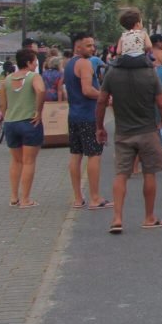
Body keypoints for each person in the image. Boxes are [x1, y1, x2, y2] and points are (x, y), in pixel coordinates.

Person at [96, 53, 162, 233]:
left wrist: (99, 127)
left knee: (121, 174)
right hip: (147, 130)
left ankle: (117, 218)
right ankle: (149, 217)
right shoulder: (150, 73)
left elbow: (101, 100)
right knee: (149, 173)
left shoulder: (112, 73)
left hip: (123, 131)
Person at [63, 32, 110, 210]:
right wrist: (105, 97)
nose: (93, 48)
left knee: (76, 154)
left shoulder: (68, 64)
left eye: (93, 45)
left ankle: (78, 198)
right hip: (88, 116)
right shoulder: (84, 63)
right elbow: (87, 90)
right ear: (78, 47)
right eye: (88, 45)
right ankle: (95, 197)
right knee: (94, 155)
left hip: (74, 115)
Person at [0, 49, 46, 208]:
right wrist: (38, 111)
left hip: (11, 122)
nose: (36, 65)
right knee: (29, 161)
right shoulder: (34, 77)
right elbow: (40, 90)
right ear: (28, 62)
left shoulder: (6, 80)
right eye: (34, 62)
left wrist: (6, 115)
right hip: (29, 121)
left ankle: (14, 197)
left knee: (16, 160)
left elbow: (2, 105)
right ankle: (25, 199)